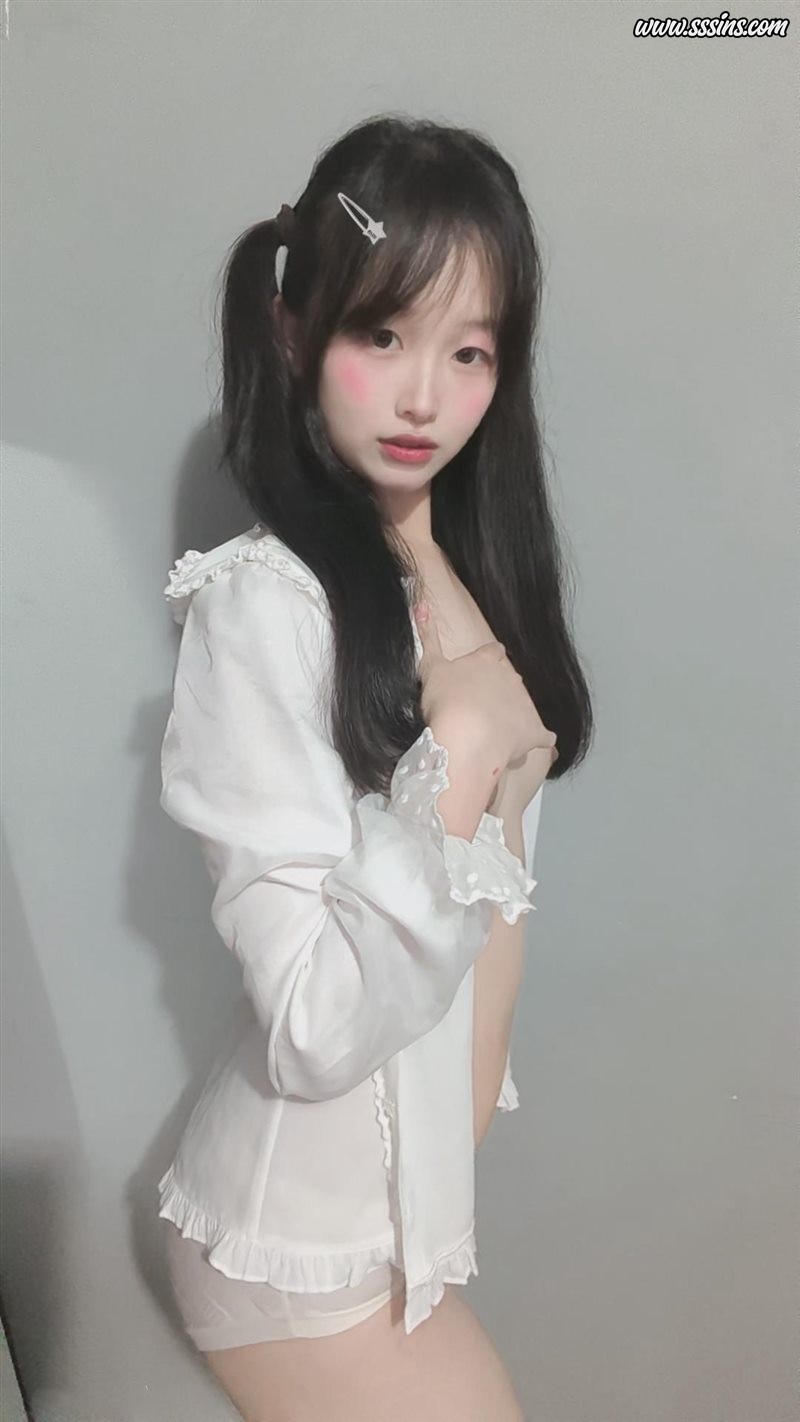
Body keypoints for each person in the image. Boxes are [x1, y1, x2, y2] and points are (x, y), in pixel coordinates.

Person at [158, 113, 594, 1421]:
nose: (423, 399)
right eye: (382, 335)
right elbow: (310, 1025)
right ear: (294, 332)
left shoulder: (458, 577)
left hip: (395, 1223)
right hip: (293, 1247)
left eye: (469, 352)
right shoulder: (265, 606)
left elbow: (482, 940)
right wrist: (458, 749)